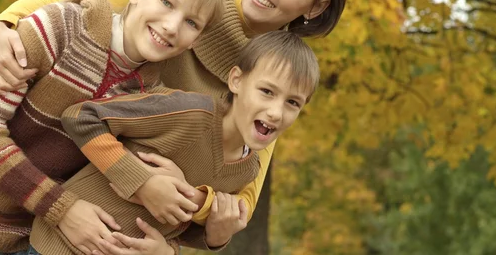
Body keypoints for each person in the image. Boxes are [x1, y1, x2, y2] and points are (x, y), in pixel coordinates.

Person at [0, 0, 350, 252]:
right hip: (35, 191)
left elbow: (240, 189)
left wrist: (190, 212)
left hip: (67, 212)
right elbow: (63, 5)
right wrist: (1, 27)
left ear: (314, 8)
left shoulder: (274, 75)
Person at [0, 0, 225, 254]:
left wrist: (169, 250)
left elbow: (125, 197)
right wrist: (62, 209)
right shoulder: (61, 27)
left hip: (28, 242)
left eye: (191, 22)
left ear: (196, 40)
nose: (172, 26)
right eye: (167, 2)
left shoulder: (151, 101)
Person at [28, 30, 319, 255]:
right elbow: (81, 116)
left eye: (293, 102)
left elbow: (176, 225)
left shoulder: (247, 172)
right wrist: (141, 182)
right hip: (57, 244)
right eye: (267, 91)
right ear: (237, 81)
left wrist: (201, 241)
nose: (276, 112)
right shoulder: (189, 112)